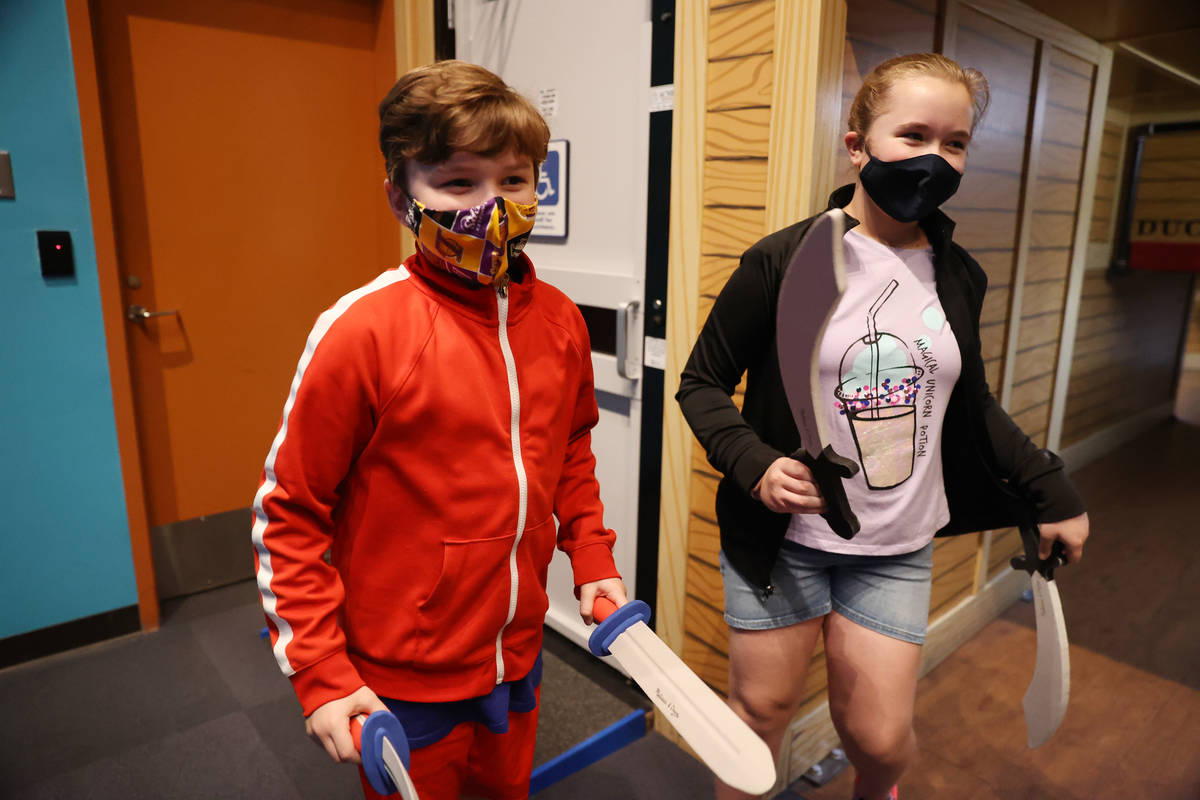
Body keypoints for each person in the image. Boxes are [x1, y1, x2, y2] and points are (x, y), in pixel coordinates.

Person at [676, 53, 1089, 800]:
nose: (934, 158)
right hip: (786, 543)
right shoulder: (781, 261)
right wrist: (754, 463)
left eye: (955, 142)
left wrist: (1051, 490)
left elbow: (972, 403)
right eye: (913, 135)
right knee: (761, 713)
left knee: (880, 738)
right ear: (858, 143)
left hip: (894, 544)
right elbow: (701, 383)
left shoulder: (958, 274)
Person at [252, 59, 627, 800]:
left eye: (513, 181)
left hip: (518, 654)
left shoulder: (558, 322)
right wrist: (322, 674)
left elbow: (570, 451)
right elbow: (287, 514)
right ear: (401, 196)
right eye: (458, 183)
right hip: (403, 674)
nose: (491, 207)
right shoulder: (362, 331)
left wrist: (592, 558)